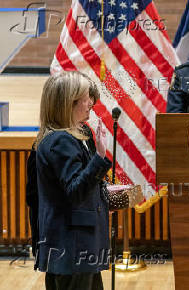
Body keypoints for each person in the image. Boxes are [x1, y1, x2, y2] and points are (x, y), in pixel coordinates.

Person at [35, 71, 112, 289]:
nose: (91, 103)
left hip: (81, 246)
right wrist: (99, 157)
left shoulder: (78, 133)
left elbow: (85, 185)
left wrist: (104, 197)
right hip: (70, 246)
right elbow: (75, 191)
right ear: (69, 102)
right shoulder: (60, 141)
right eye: (86, 98)